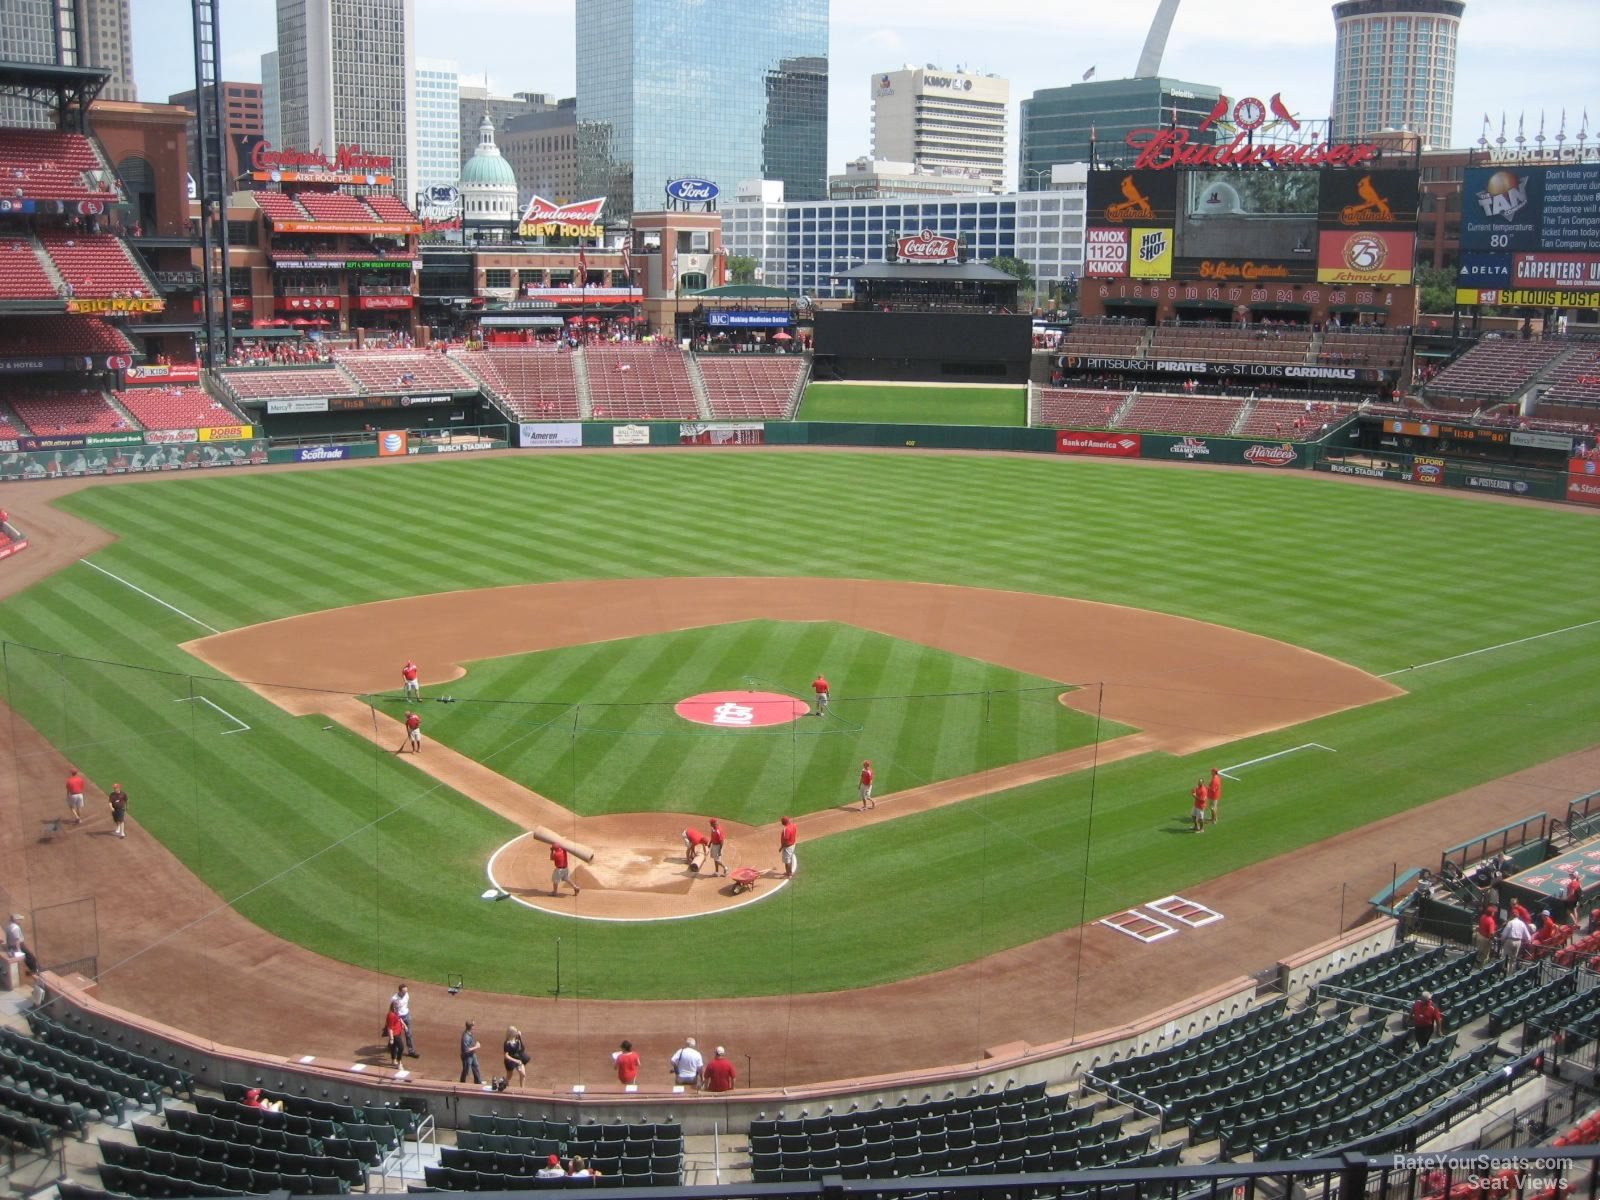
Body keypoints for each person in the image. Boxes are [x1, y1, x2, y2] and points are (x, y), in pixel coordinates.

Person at [390, 983, 418, 1056]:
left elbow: (405, 1006)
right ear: (399, 991)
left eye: (406, 991)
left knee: (409, 1034)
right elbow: (393, 1010)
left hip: (406, 1015)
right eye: (404, 992)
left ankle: (411, 1051)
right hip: (398, 1018)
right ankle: (394, 1049)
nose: (405, 993)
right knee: (397, 1034)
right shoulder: (394, 999)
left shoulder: (407, 995)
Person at [459, 1020, 483, 1085]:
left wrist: (475, 1044)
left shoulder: (470, 1033)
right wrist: (476, 1047)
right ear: (471, 1027)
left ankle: (478, 1082)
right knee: (466, 1071)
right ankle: (461, 1083)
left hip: (472, 1054)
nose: (474, 1026)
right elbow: (466, 1050)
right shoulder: (466, 1037)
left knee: (476, 1067)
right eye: (473, 1025)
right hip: (467, 1057)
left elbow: (471, 1044)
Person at [384, 1001, 407, 1068]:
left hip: (398, 1032)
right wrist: (391, 1038)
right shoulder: (391, 1015)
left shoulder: (396, 1012)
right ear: (394, 1007)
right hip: (395, 1034)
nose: (400, 1008)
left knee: (393, 1047)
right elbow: (389, 1028)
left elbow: (400, 1019)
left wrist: (404, 1025)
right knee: (401, 1047)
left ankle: (393, 1060)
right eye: (398, 1006)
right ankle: (399, 1062)